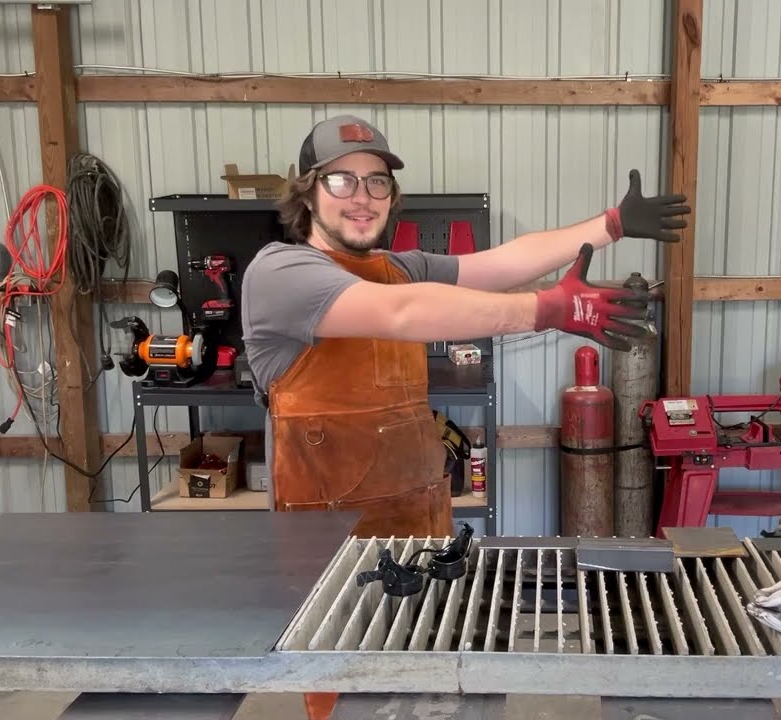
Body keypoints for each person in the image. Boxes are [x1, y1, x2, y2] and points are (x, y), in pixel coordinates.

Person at [240, 113, 689, 541]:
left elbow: (503, 263)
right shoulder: (280, 272)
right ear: (307, 195)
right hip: (323, 552)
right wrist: (547, 310)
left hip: (419, 533)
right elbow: (401, 313)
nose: (362, 197)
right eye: (341, 180)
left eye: (377, 181)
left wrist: (611, 225)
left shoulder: (401, 268)